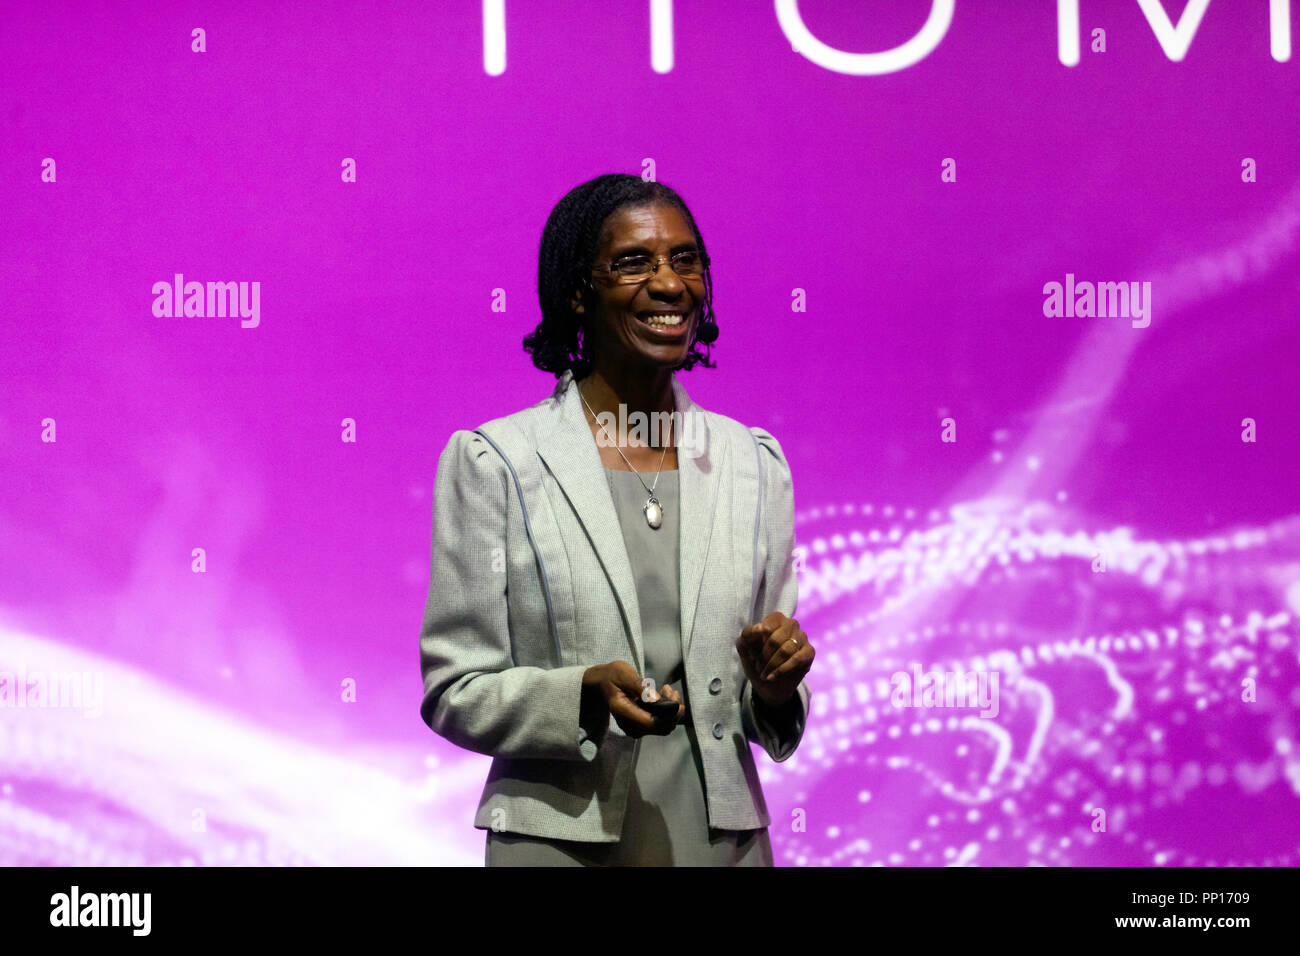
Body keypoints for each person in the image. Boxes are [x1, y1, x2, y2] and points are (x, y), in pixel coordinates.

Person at [418, 173, 814, 866]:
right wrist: (578, 695)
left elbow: (759, 701)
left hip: (720, 840)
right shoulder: (498, 463)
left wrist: (776, 690)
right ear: (578, 290)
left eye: (685, 260)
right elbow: (456, 690)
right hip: (558, 839)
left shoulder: (754, 464)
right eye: (635, 263)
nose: (670, 284)